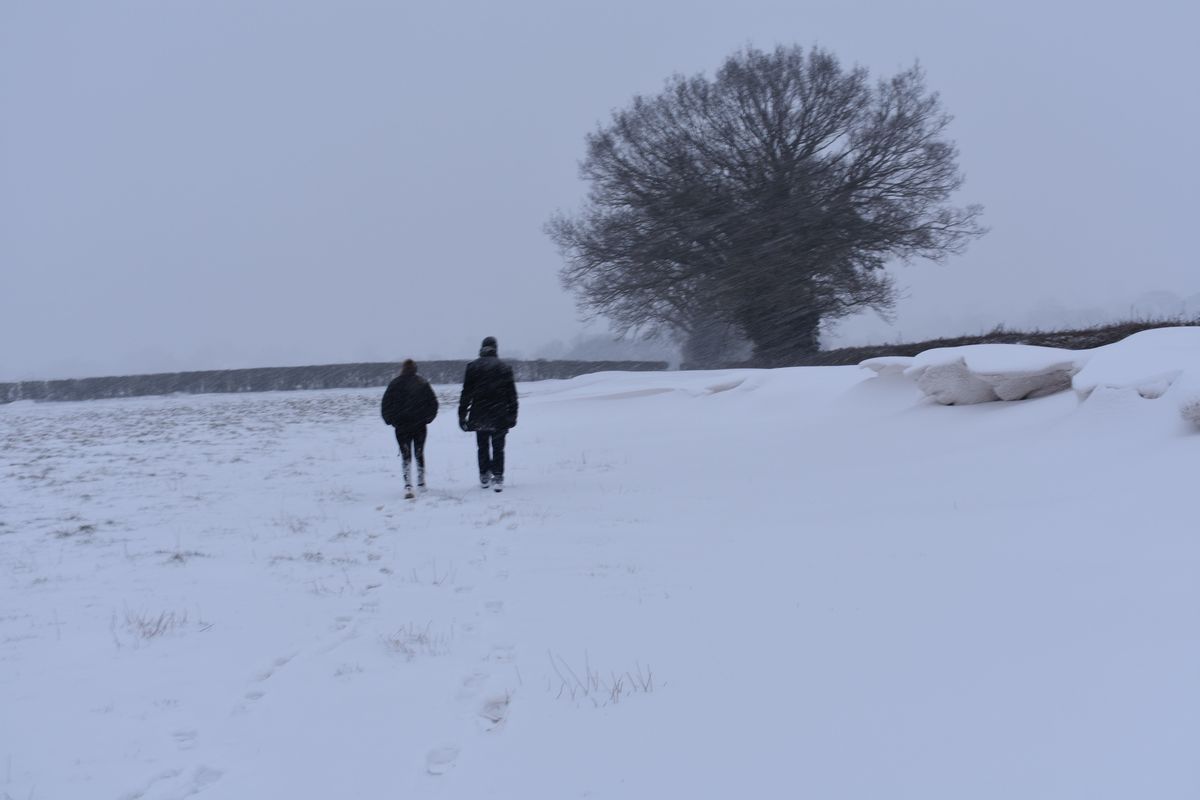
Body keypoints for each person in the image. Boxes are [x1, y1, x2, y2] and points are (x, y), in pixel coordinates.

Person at [458, 336, 518, 492]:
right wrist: (513, 415)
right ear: (495, 348)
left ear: (482, 348)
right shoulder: (504, 367)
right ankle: (498, 477)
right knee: (498, 447)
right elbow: (512, 395)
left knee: (482, 446)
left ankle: (484, 475)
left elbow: (466, 394)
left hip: (480, 413)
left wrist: (462, 415)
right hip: (499, 413)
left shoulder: (472, 367)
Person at [381, 359, 438, 497]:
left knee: (406, 455)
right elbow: (433, 404)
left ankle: (407, 484)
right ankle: (421, 482)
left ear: (403, 369)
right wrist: (428, 418)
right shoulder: (422, 383)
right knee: (419, 453)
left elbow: (386, 405)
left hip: (401, 426)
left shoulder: (394, 384)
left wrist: (390, 420)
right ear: (415, 369)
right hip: (419, 425)